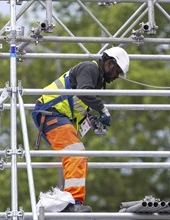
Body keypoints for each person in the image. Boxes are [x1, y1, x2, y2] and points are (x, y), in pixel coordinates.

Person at [32, 47, 130, 212]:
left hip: (56, 115)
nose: (115, 77)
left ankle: (70, 202)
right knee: (76, 154)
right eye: (117, 71)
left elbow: (78, 103)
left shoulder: (96, 82)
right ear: (109, 63)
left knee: (77, 156)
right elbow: (83, 92)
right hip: (51, 112)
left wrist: (89, 120)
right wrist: (103, 110)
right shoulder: (89, 68)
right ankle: (72, 203)